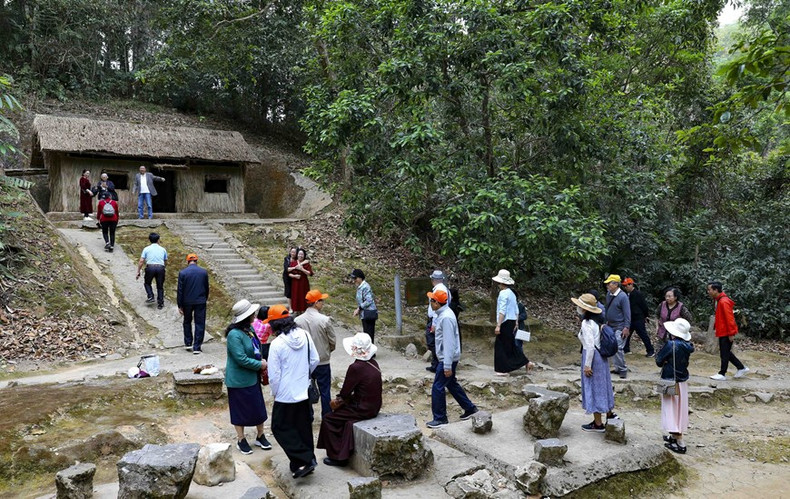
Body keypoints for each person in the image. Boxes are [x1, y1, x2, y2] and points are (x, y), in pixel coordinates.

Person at [266, 305, 319, 479]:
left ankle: (303, 459)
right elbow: (315, 359)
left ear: (275, 324)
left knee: (279, 428)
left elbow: (274, 375)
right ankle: (303, 461)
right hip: (303, 390)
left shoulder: (277, 344)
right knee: (302, 426)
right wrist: (304, 374)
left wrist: (275, 392)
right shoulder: (305, 335)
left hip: (285, 394)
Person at [316, 332, 382, 466]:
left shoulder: (355, 368)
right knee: (346, 422)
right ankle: (343, 452)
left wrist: (339, 401)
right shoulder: (373, 363)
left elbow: (345, 392)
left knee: (329, 419)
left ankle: (337, 456)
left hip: (362, 408)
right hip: (374, 406)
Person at [225, 299, 272, 455]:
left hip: (252, 377)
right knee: (240, 410)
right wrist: (260, 365)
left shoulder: (249, 329)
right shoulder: (234, 335)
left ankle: (260, 435)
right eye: (253, 313)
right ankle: (241, 439)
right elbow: (240, 358)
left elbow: (256, 348)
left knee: (258, 407)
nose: (255, 315)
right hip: (238, 379)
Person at [426, 289, 478, 428]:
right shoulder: (444, 315)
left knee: (437, 387)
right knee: (451, 383)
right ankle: (470, 408)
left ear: (437, 303)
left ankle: (440, 418)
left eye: (432, 300)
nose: (430, 302)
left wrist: (447, 365)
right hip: (447, 358)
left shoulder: (447, 318)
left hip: (447, 359)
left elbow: (449, 343)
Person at [572, 293, 615, 432]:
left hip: (592, 357)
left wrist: (587, 365)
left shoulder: (587, 323)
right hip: (600, 357)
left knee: (594, 387)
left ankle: (598, 423)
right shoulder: (597, 322)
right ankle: (608, 414)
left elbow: (589, 346)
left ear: (584, 309)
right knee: (602, 386)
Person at [295, 289, 337, 417]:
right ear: (316, 302)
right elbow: (332, 341)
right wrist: (327, 350)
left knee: (306, 390)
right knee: (325, 390)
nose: (323, 303)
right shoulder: (324, 320)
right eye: (321, 301)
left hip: (305, 361)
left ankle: (308, 415)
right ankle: (327, 415)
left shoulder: (298, 321)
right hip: (322, 360)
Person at [656, 318, 694, 454]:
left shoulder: (671, 344)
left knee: (670, 409)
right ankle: (674, 436)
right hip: (682, 380)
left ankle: (679, 441)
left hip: (669, 379)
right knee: (680, 409)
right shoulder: (687, 346)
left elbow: (658, 360)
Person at [707, 282, 749, 380]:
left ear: (716, 290)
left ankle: (722, 373)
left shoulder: (723, 301)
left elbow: (730, 318)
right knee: (725, 352)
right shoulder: (718, 300)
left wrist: (731, 333)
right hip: (723, 330)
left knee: (724, 353)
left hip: (726, 331)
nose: (708, 292)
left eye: (709, 290)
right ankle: (741, 367)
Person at [492, 269, 528, 375]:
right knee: (510, 344)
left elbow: (502, 310)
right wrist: (516, 321)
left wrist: (498, 325)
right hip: (512, 321)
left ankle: (503, 369)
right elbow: (516, 309)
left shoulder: (503, 294)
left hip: (505, 321)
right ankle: (525, 362)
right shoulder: (512, 294)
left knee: (501, 345)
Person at [177, 253, 210, 354]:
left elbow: (180, 290)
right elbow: (206, 287)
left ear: (187, 261)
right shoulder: (203, 272)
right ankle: (197, 347)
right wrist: (205, 298)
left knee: (187, 321)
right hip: (200, 300)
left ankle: (188, 343)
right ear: (197, 260)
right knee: (199, 323)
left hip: (187, 301)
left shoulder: (183, 273)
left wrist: (180, 305)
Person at [604, 274, 630, 379]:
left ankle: (623, 369)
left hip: (620, 325)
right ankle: (618, 368)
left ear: (615, 284)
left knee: (618, 347)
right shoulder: (609, 294)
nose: (607, 286)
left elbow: (627, 313)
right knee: (612, 346)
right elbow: (607, 308)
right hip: (610, 325)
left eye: (609, 283)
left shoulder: (623, 297)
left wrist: (626, 327)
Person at [622, 278, 655, 357]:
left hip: (638, 318)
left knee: (643, 334)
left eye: (627, 285)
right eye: (625, 286)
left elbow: (644, 306)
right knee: (627, 334)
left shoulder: (638, 294)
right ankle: (626, 349)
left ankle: (650, 351)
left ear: (631, 285)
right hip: (630, 318)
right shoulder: (626, 295)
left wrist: (646, 315)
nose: (626, 287)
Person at [425, 270, 449, 373]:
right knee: (434, 341)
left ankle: (438, 363)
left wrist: (434, 323)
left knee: (433, 342)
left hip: (436, 319)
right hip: (436, 318)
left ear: (433, 280)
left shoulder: (439, 290)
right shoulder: (442, 289)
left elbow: (438, 307)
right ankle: (435, 364)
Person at [136, 232, 167, 309]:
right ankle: (160, 303)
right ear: (158, 240)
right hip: (160, 267)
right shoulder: (163, 249)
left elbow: (141, 261)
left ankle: (150, 296)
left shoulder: (146, 249)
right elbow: (165, 260)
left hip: (150, 267)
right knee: (160, 286)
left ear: (149, 240)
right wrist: (163, 268)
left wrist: (138, 271)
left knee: (147, 283)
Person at [350, 269, 378, 343]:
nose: (354, 280)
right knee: (367, 334)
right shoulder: (360, 287)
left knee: (369, 334)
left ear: (360, 278)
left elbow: (369, 300)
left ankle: (370, 352)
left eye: (355, 278)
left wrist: (359, 308)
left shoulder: (365, 287)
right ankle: (368, 352)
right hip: (364, 313)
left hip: (369, 313)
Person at [288, 248, 313, 314]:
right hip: (295, 283)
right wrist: (294, 276)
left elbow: (310, 273)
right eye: (299, 254)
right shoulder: (293, 263)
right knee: (295, 295)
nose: (300, 256)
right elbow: (288, 273)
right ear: (297, 255)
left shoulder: (306, 264)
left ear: (304, 255)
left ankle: (303, 310)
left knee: (303, 296)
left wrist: (302, 269)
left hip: (303, 283)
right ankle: (296, 310)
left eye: (302, 254)